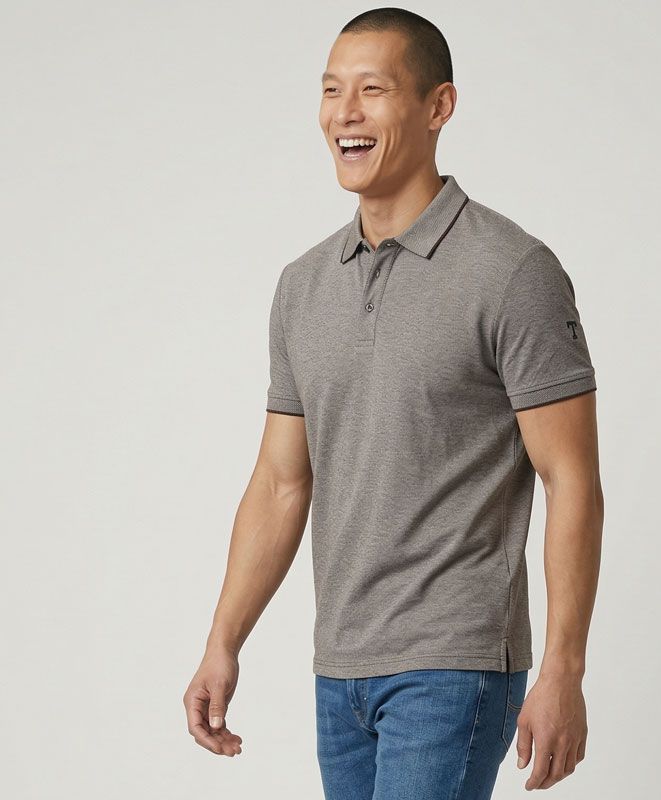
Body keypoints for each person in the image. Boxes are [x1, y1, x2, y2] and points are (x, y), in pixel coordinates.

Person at [183, 7, 604, 798]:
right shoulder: (303, 285)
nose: (345, 112)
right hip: (340, 669)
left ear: (438, 106)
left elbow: (571, 477)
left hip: (455, 661)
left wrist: (564, 670)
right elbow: (280, 483)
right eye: (331, 90)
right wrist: (223, 640)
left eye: (372, 90)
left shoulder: (512, 272)